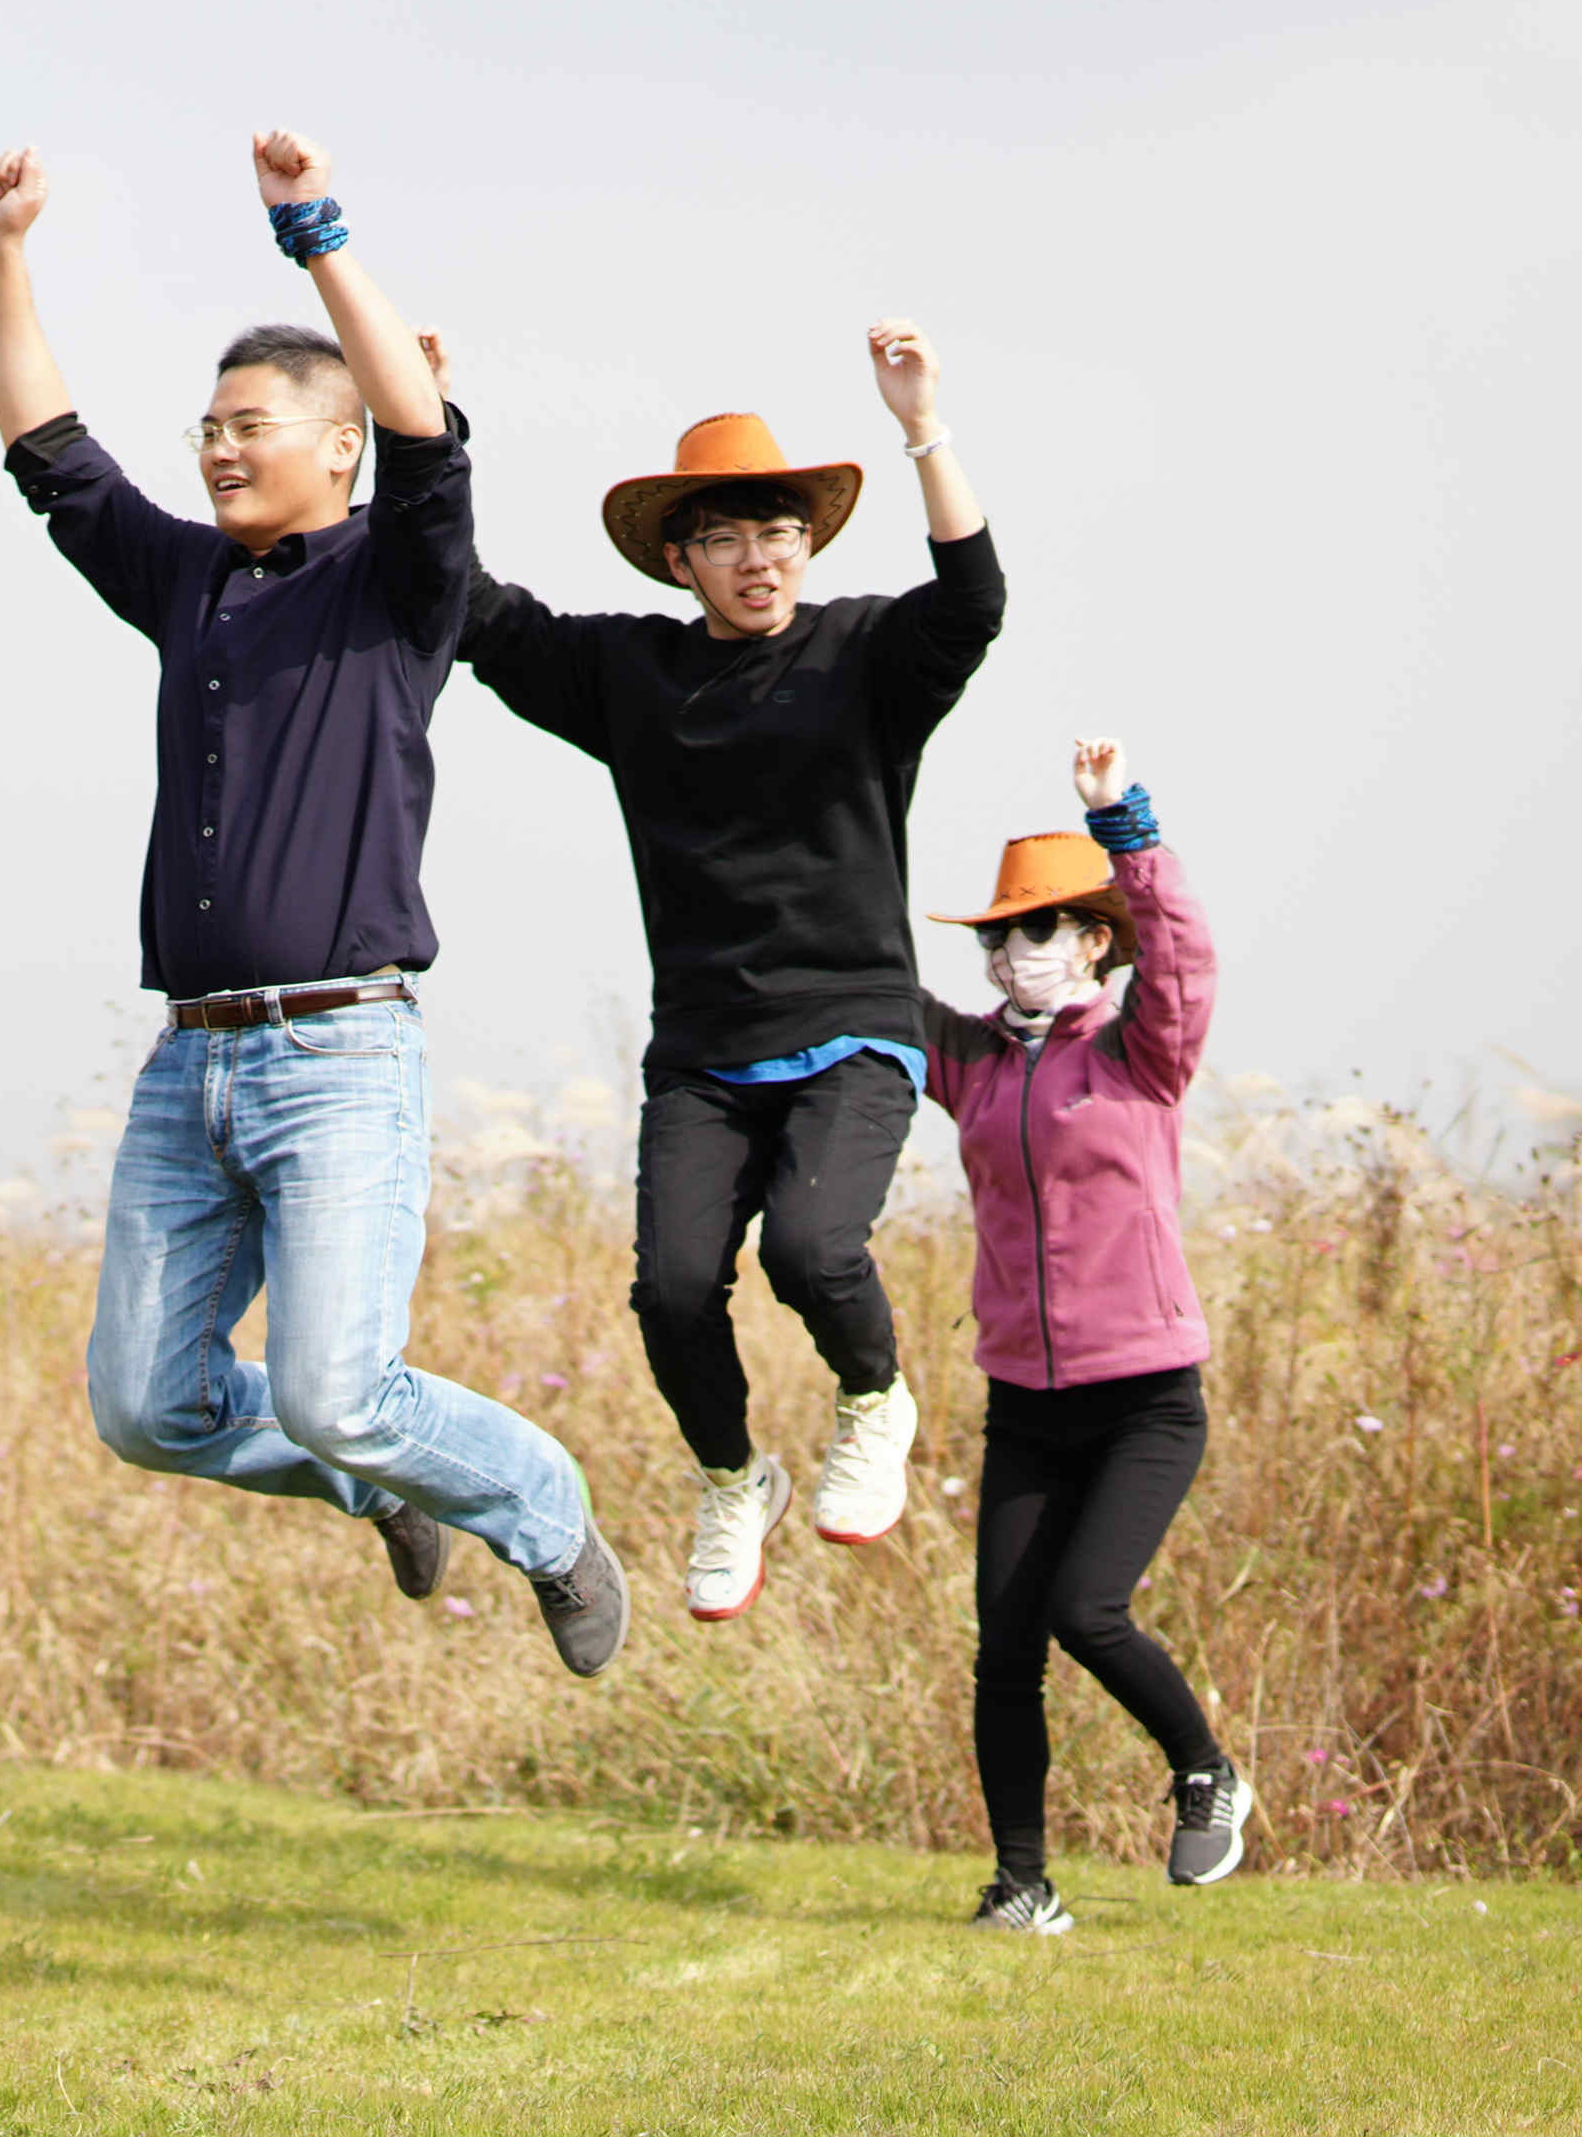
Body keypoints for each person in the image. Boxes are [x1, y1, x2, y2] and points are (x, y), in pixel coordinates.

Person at [0, 133, 626, 1677]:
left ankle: (538, 1513)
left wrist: (314, 235)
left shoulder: (399, 587)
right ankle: (366, 1481)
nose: (213, 449)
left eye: (248, 425)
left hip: (338, 1057)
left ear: (332, 449)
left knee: (342, 1381)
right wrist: (1, 248)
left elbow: (423, 431)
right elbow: (48, 449)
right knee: (148, 1408)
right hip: (185, 1060)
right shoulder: (184, 584)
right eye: (202, 428)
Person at [456, 328, 1003, 1622]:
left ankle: (873, 1398)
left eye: (778, 534)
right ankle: (729, 1474)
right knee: (666, 1288)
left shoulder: (867, 653)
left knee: (814, 1252)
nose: (758, 559)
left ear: (804, 548)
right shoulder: (630, 675)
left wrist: (920, 426)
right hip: (701, 1047)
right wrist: (431, 424)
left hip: (853, 1023)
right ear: (677, 558)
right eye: (726, 539)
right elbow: (476, 613)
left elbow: (972, 601)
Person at [919, 741, 1248, 1931]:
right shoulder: (965, 1063)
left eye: (1042, 932)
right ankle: (1019, 1886)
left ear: (1092, 941)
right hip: (1024, 1403)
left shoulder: (1134, 1052)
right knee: (1000, 1645)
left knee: (1083, 1610)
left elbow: (1185, 954)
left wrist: (1123, 823)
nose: (1015, 956)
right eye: (999, 938)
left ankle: (1205, 1772)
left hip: (1144, 1399)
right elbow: (856, 977)